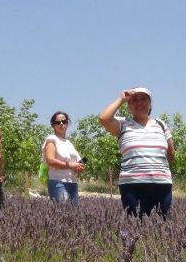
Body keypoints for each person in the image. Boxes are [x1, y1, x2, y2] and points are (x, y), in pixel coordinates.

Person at [99, 87, 175, 218]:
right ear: (129, 106)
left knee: (163, 227)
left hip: (162, 184)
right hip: (132, 185)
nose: (139, 102)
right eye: (134, 100)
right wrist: (121, 99)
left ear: (150, 104)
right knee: (136, 226)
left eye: (143, 99)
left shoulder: (161, 124)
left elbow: (171, 153)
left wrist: (158, 170)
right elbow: (103, 118)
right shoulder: (123, 124)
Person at [42, 111, 85, 203]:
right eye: (58, 122)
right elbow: (50, 160)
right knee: (62, 213)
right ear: (53, 125)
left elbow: (77, 163)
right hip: (58, 182)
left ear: (67, 123)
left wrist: (79, 168)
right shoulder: (51, 139)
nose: (61, 124)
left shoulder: (69, 143)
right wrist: (71, 165)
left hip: (73, 183)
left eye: (64, 121)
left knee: (73, 214)